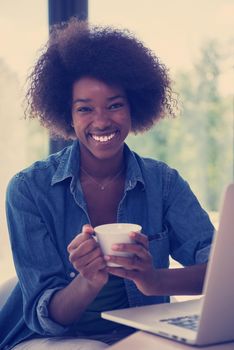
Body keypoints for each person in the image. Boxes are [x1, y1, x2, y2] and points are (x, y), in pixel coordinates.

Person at [0, 18, 214, 350]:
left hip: (139, 337)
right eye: (85, 109)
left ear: (133, 107)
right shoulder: (28, 190)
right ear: (67, 115)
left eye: (115, 105)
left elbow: (219, 270)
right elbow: (48, 317)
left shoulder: (164, 183)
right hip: (52, 339)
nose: (101, 121)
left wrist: (153, 280)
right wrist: (88, 281)